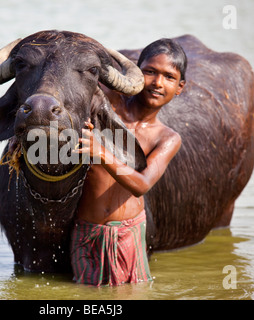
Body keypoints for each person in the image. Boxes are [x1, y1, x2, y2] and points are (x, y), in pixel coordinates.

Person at [71, 38, 187, 286]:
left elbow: (142, 184)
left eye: (169, 77)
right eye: (150, 72)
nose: (157, 83)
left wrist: (102, 153)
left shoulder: (167, 138)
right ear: (136, 72)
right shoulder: (107, 103)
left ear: (180, 87)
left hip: (128, 233)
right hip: (85, 230)